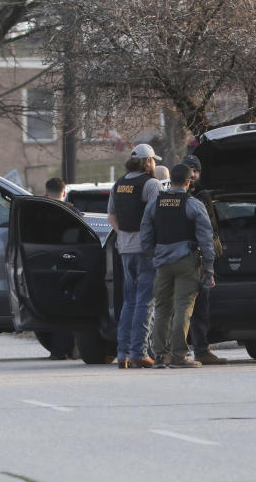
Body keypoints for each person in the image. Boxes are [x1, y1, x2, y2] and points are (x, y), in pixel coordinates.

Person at [140, 162, 216, 368]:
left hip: (162, 263)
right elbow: (206, 240)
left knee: (163, 309)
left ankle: (160, 356)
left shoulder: (155, 203)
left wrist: (153, 254)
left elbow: (145, 235)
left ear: (171, 180)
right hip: (186, 262)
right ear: (188, 181)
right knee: (183, 308)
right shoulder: (193, 205)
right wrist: (208, 269)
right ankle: (179, 356)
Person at [108, 144, 163, 368]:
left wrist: (124, 234)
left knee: (129, 301)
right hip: (145, 249)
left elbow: (111, 216)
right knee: (145, 302)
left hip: (125, 249)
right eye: (153, 161)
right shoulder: (151, 184)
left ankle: (123, 354)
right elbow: (157, 216)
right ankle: (139, 352)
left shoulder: (118, 184)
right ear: (148, 162)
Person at [183, 154, 228, 365]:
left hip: (200, 257)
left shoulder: (203, 196)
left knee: (201, 307)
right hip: (185, 257)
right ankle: (178, 351)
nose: (192, 174)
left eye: (195, 170)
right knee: (182, 308)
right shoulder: (177, 196)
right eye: (189, 170)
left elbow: (210, 229)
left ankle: (201, 349)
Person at [42, 177, 78, 359]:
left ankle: (56, 350)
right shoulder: (72, 212)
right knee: (68, 308)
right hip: (69, 266)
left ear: (46, 193)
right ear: (64, 193)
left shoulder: (38, 212)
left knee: (50, 308)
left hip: (46, 267)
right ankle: (67, 348)